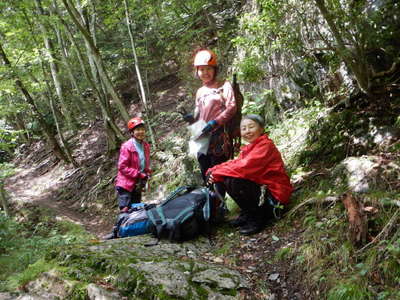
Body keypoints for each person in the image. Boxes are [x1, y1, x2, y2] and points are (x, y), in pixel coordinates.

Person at [206, 114, 293, 235]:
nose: (247, 131)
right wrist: (213, 170)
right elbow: (235, 163)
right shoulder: (251, 147)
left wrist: (216, 173)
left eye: (251, 127)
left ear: (261, 128)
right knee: (228, 177)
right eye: (244, 128)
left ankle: (258, 218)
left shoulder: (265, 146)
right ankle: (248, 213)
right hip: (264, 192)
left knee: (235, 180)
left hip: (275, 198)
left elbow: (244, 167)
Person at [183, 48, 237, 183]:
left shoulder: (224, 85)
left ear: (214, 70)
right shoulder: (200, 91)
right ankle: (211, 203)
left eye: (208, 69)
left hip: (219, 134)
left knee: (217, 173)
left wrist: (216, 122)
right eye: (201, 69)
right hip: (201, 134)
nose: (205, 73)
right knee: (205, 173)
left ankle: (220, 202)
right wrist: (192, 118)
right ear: (197, 72)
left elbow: (232, 107)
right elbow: (199, 111)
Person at [115, 117, 151, 213]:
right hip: (125, 185)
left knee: (136, 210)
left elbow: (144, 162)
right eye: (138, 130)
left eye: (142, 129)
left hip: (137, 184)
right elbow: (122, 167)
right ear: (132, 132)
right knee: (125, 211)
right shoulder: (127, 146)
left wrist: (147, 172)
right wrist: (138, 174)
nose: (141, 132)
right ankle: (120, 227)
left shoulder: (146, 145)